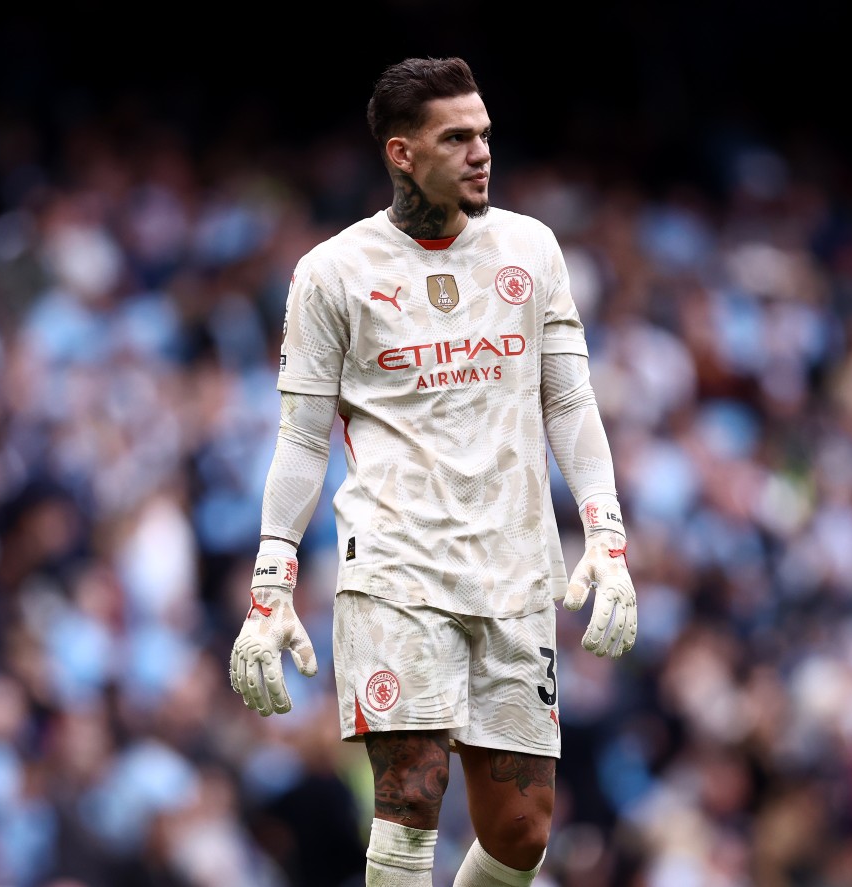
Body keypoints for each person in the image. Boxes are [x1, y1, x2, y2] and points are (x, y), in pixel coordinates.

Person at [228, 56, 637, 887]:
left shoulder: (531, 248)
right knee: (412, 798)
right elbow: (303, 438)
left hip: (515, 569)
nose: (482, 151)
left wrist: (608, 531)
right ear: (402, 153)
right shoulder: (333, 273)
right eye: (458, 138)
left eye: (485, 134)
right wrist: (271, 579)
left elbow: (569, 402)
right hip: (395, 567)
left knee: (523, 832)